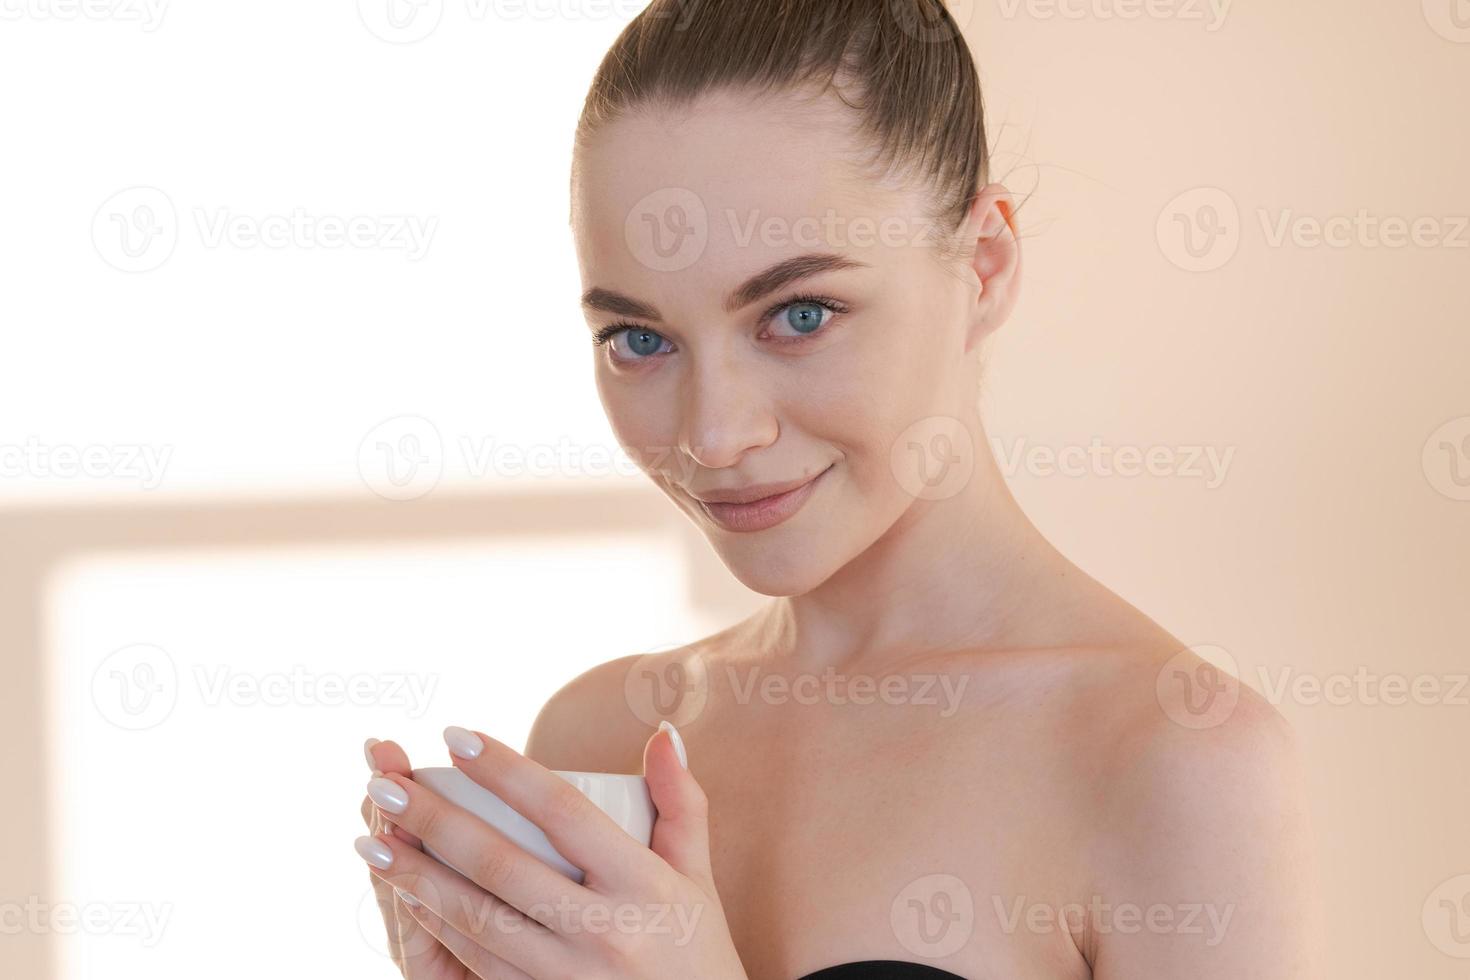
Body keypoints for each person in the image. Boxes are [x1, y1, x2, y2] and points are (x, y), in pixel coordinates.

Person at [357, 1, 1320, 976]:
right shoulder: (603, 734)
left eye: (800, 313)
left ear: (983, 265)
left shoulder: (1176, 759)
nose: (714, 433)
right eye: (639, 339)